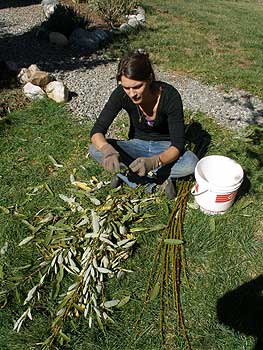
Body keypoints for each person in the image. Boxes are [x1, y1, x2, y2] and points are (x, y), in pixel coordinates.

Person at [89, 49, 198, 199]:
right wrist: (108, 150)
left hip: (165, 148)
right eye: (126, 88)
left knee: (191, 163)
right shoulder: (120, 94)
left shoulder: (170, 96)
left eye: (137, 86)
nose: (132, 93)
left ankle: (130, 177)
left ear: (149, 78)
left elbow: (177, 145)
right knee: (95, 149)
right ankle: (157, 180)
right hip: (137, 145)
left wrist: (155, 161)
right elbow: (97, 131)